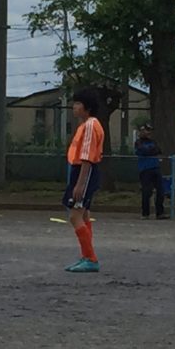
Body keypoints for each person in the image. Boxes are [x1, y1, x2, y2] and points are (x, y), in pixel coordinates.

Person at [63, 88, 104, 273]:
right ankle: (87, 255)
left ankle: (90, 258)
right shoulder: (86, 125)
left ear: (87, 107)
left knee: (75, 215)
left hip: (84, 172)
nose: (74, 107)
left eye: (78, 103)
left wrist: (80, 184)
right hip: (81, 171)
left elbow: (87, 157)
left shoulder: (90, 126)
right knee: (84, 214)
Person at [134, 123, 165, 220]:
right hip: (145, 169)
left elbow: (158, 151)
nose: (148, 133)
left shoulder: (153, 142)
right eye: (146, 131)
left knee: (160, 190)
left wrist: (151, 151)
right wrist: (151, 151)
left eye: (149, 131)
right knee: (146, 192)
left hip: (155, 167)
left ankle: (160, 213)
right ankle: (145, 213)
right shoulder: (138, 142)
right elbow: (144, 151)